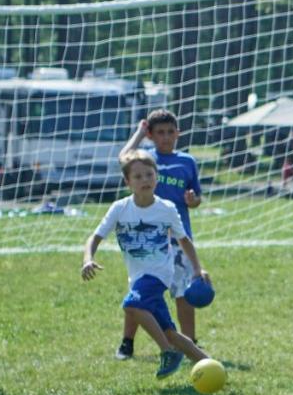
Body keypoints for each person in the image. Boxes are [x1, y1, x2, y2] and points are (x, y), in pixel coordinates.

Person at [83, 150, 213, 379]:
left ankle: (167, 353)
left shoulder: (167, 208)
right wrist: (88, 259)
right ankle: (210, 365)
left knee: (131, 305)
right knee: (170, 332)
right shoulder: (120, 208)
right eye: (138, 176)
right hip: (137, 276)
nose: (145, 180)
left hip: (160, 273)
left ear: (157, 177)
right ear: (127, 182)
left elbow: (184, 241)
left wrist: (197, 270)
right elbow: (95, 237)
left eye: (149, 175)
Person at [114, 110, 203, 369]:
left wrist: (193, 201)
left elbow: (196, 196)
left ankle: (190, 342)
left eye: (170, 132)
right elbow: (124, 157)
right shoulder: (146, 160)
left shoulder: (187, 161)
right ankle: (127, 341)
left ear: (178, 133)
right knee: (140, 295)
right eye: (160, 133)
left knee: (183, 292)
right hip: (148, 240)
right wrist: (140, 132)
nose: (166, 138)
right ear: (152, 136)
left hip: (178, 237)